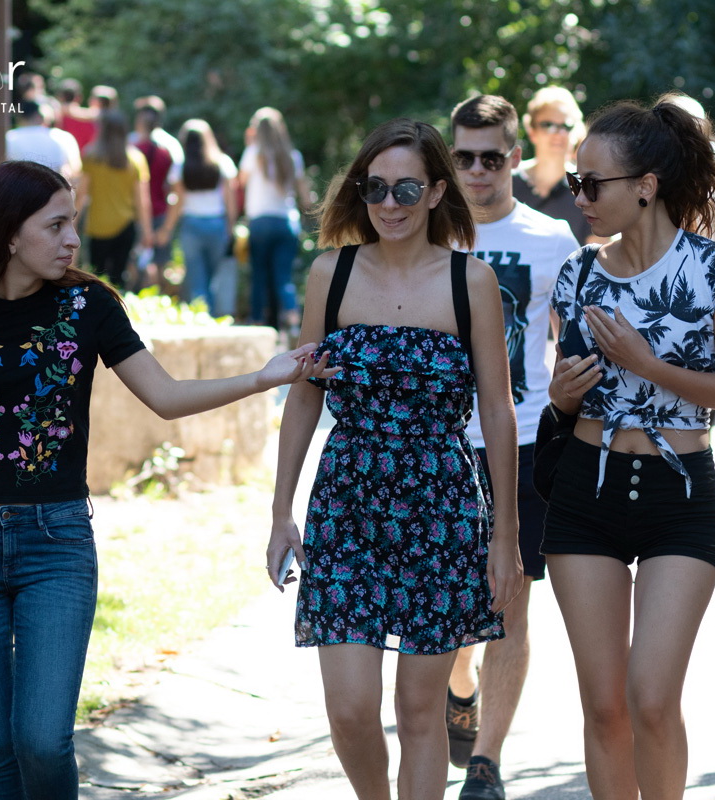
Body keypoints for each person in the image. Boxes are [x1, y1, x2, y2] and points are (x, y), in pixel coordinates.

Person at [0, 159, 336, 800]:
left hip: (57, 544)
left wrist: (264, 378)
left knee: (43, 740)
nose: (73, 238)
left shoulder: (89, 305)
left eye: (71, 222)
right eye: (56, 225)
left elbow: (165, 395)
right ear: (7, 233)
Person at [267, 118, 523, 800]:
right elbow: (304, 396)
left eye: (407, 186)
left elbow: (497, 412)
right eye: (374, 187)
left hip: (440, 509)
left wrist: (505, 535)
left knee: (418, 712)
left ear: (438, 190)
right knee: (350, 709)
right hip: (347, 501)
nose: (390, 202)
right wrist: (280, 512)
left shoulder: (473, 281)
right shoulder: (334, 272)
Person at [544, 94, 715, 799]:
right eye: (576, 183)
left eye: (591, 184)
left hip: (680, 495)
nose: (579, 198)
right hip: (586, 490)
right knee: (604, 708)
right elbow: (561, 388)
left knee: (652, 700)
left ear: (645, 185)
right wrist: (562, 395)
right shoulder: (576, 275)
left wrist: (647, 363)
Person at [445, 94, 579, 800]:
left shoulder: (553, 240)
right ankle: (459, 684)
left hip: (523, 441)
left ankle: (486, 762)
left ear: (514, 157)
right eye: (461, 157)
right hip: (437, 444)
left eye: (489, 157)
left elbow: (576, 340)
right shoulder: (428, 237)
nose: (475, 170)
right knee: (448, 601)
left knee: (511, 598)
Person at [239, 107, 311, 335]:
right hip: (285, 223)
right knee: (283, 277)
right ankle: (292, 322)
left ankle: (258, 324)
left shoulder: (253, 153)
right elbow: (305, 196)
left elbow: (240, 183)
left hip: (259, 222)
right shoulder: (292, 156)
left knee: (259, 274)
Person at [160, 119, 239, 310]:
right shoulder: (223, 162)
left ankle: (203, 316)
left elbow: (177, 203)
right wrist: (231, 228)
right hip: (217, 225)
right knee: (214, 277)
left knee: (196, 278)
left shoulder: (180, 166)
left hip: (191, 225)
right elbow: (231, 202)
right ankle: (215, 317)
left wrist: (166, 229)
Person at [76, 109, 154, 288]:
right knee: (119, 278)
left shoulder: (91, 156)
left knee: (96, 278)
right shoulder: (135, 159)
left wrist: (73, 221)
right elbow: (142, 200)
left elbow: (82, 194)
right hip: (125, 225)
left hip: (97, 225)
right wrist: (147, 231)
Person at [511, 86, 595, 245]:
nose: (558, 133)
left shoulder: (588, 189)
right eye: (548, 125)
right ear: (531, 130)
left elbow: (599, 255)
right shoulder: (506, 182)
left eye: (567, 125)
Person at [130, 97, 183, 289]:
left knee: (133, 264)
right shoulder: (171, 146)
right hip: (161, 212)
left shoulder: (131, 145)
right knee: (161, 265)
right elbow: (177, 190)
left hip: (134, 213)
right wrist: (168, 227)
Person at [5, 101, 82, 181]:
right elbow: (75, 169)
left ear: (19, 117)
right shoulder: (63, 137)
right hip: (54, 189)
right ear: (40, 117)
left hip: (17, 190)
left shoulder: (9, 137)